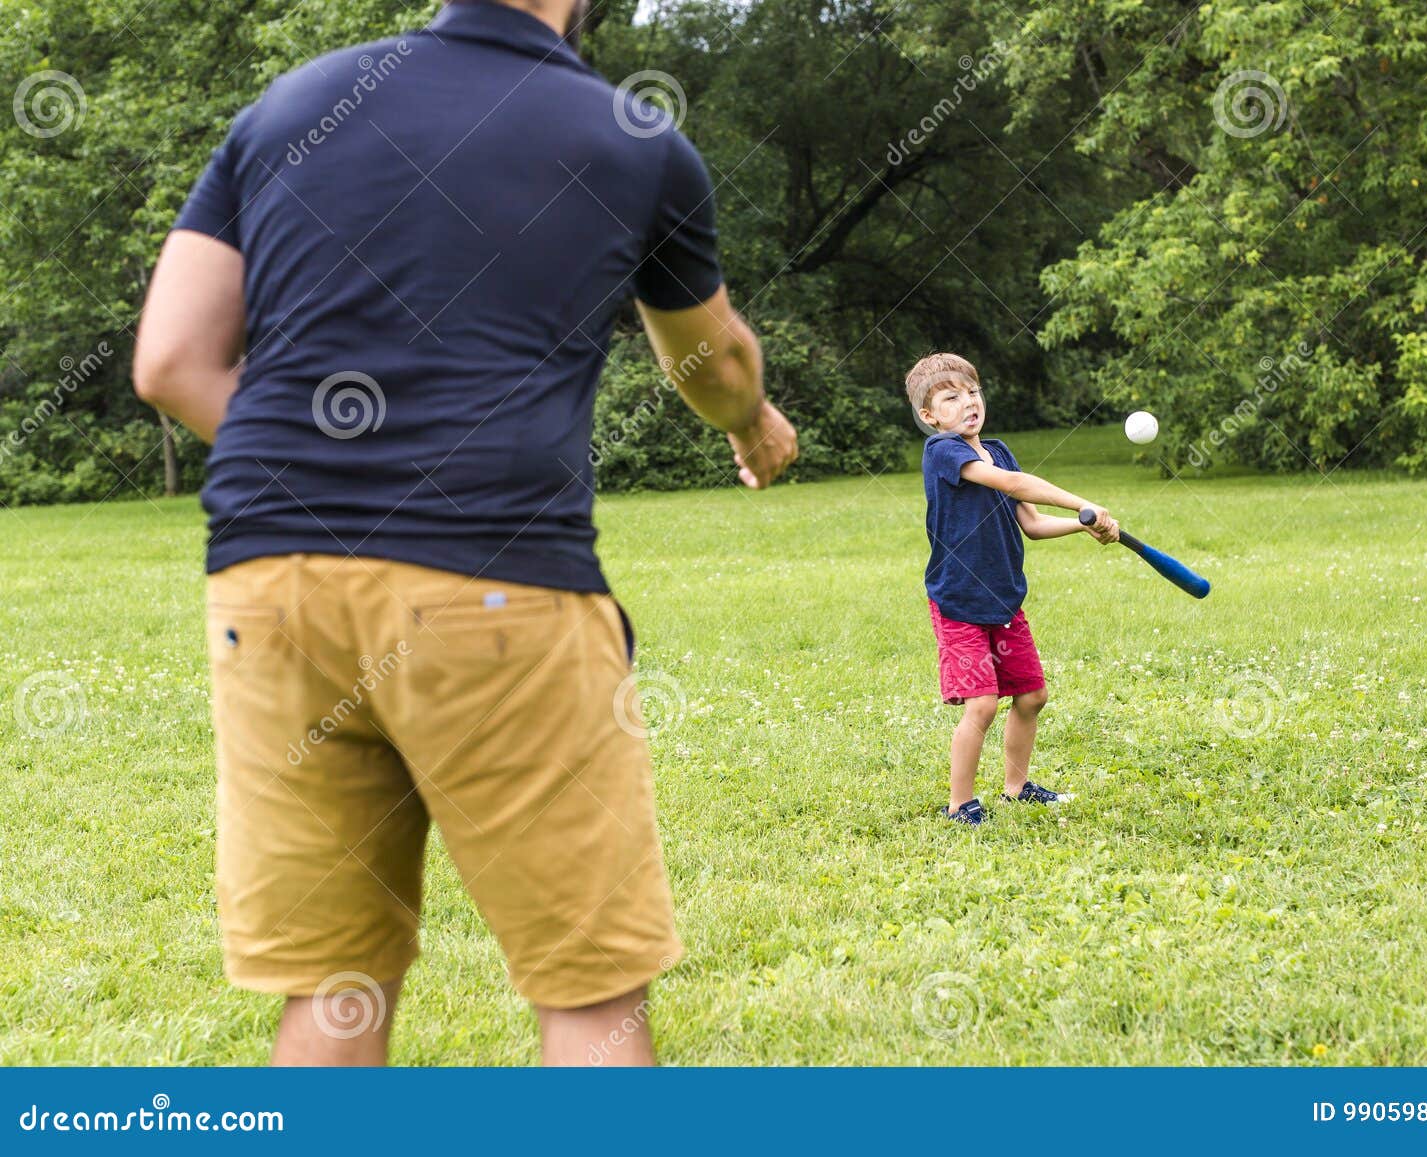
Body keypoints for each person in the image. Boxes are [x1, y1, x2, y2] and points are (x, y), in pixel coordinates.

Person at [132, 0, 796, 1066]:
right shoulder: (629, 137)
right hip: (494, 582)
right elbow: (710, 361)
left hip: (270, 586)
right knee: (591, 996)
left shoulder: (288, 106)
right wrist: (754, 422)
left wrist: (318, 466)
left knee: (332, 986)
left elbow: (169, 361)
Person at [905, 353, 1117, 825]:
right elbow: (1012, 484)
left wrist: (1082, 526)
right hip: (958, 601)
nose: (969, 403)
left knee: (1032, 695)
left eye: (974, 393)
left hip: (1003, 599)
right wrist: (1084, 502)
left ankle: (1016, 789)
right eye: (952, 397)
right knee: (981, 703)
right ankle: (960, 805)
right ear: (930, 415)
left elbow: (1034, 524)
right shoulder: (943, 451)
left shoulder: (998, 449)